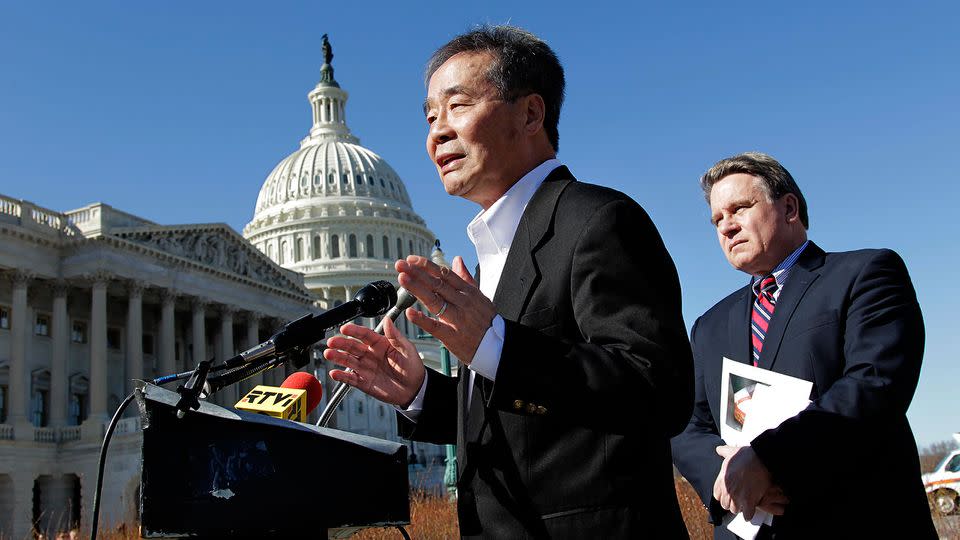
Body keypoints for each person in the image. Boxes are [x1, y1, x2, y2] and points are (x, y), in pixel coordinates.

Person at [324, 25, 693, 538]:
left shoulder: (598, 220)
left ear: (531, 114)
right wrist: (422, 393)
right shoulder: (491, 255)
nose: (437, 132)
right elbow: (531, 419)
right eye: (430, 116)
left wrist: (499, 346)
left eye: (458, 106)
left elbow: (659, 388)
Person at [670, 152, 936, 538]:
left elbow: (874, 386)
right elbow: (687, 425)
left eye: (739, 208)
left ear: (789, 207)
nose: (726, 227)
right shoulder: (708, 326)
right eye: (717, 220)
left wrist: (767, 460)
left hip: (855, 519)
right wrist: (728, 478)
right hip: (749, 526)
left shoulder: (865, 275)